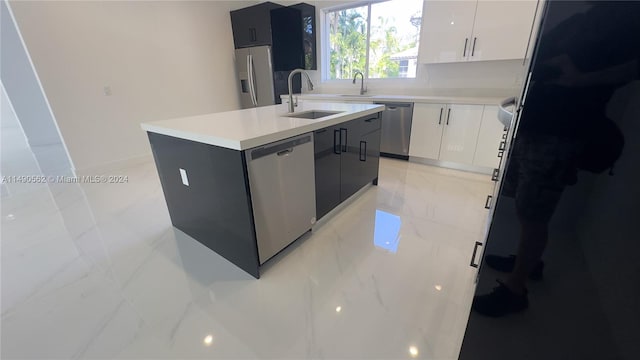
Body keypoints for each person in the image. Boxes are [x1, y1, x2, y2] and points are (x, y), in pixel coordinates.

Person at [472, 1, 640, 317]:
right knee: (525, 206)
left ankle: (515, 290)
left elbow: (633, 67)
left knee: (535, 212)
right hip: (534, 125)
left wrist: (581, 80)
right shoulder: (582, 19)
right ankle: (528, 262)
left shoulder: (628, 15)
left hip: (561, 132)